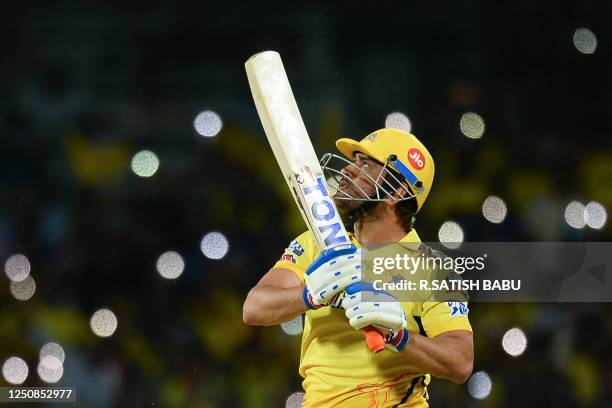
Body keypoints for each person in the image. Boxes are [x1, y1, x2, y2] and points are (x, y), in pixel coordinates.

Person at [243, 128, 474, 407]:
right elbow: (253, 308)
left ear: (397, 192)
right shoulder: (316, 244)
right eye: (354, 161)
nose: (349, 170)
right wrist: (310, 295)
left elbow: (460, 363)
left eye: (365, 165)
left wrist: (397, 336)